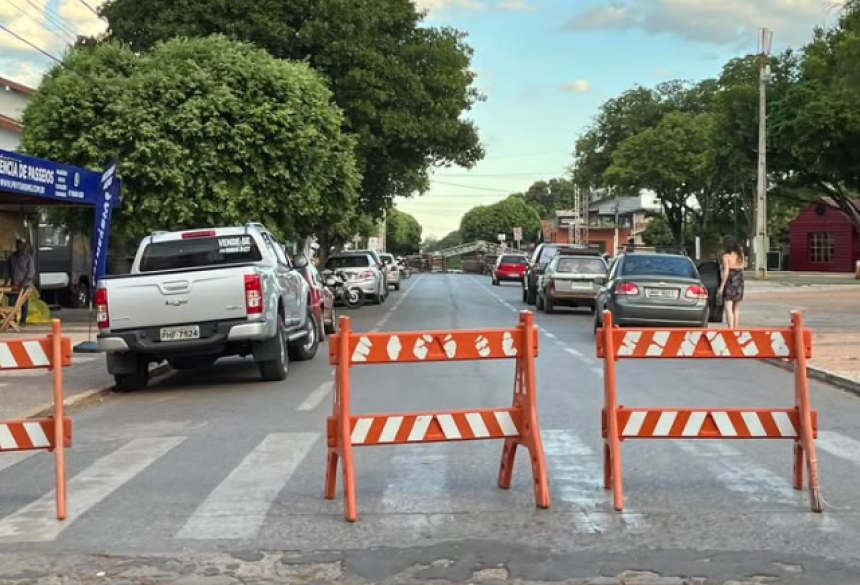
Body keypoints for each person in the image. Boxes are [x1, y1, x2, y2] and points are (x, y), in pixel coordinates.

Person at [6, 239, 35, 329]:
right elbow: (9, 271)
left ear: (24, 246)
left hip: (24, 285)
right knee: (12, 303)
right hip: (14, 284)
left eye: (22, 245)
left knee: (23, 303)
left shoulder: (28, 258)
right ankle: (12, 320)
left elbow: (30, 273)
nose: (20, 247)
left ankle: (23, 321)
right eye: (18, 245)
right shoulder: (12, 257)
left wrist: (22, 283)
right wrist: (7, 282)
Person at [717, 235, 745, 328]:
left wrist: (721, 287)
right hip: (740, 282)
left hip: (730, 283)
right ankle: (736, 329)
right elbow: (742, 269)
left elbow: (726, 272)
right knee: (736, 308)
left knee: (728, 308)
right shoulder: (741, 255)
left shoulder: (726, 256)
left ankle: (730, 329)